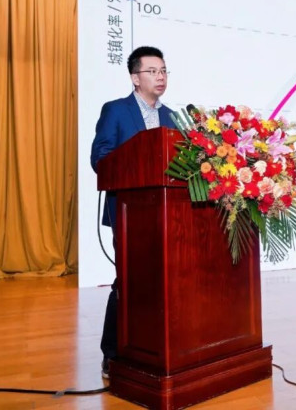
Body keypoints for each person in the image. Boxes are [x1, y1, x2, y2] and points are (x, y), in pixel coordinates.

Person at [90, 46, 176, 379]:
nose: (160, 76)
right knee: (128, 280)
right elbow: (101, 158)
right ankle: (112, 353)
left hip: (166, 212)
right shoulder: (116, 110)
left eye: (164, 71)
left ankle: (151, 348)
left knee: (162, 280)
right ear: (135, 78)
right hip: (129, 212)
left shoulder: (173, 117)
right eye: (152, 71)